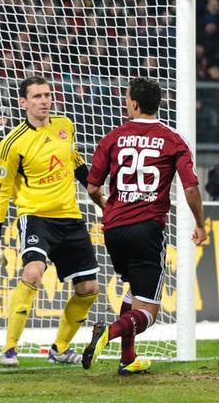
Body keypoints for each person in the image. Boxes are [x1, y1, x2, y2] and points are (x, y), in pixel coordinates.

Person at [81, 77, 207, 375]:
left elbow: (91, 188)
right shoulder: (173, 139)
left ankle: (128, 359)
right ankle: (108, 333)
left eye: (127, 98)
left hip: (113, 230)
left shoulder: (113, 137)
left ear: (134, 103)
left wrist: (109, 208)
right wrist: (200, 224)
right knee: (149, 311)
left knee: (133, 290)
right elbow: (190, 188)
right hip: (147, 228)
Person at [0, 76, 105, 367]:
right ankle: (10, 348)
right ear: (23, 102)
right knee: (33, 273)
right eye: (37, 96)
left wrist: (103, 203)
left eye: (47, 95)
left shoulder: (65, 126)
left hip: (71, 217)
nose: (44, 101)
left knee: (89, 289)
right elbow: (1, 192)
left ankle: (60, 349)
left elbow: (76, 165)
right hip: (36, 217)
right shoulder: (12, 143)